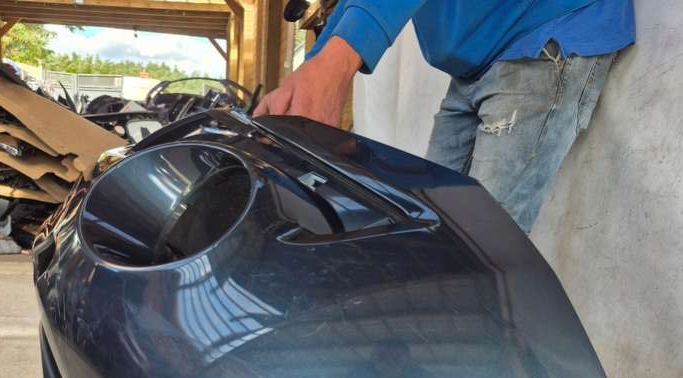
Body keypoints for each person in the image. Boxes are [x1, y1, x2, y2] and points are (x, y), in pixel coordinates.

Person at [254, 0, 634, 234]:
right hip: (477, 60)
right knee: (429, 221)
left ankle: (478, 339)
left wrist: (336, 67)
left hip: (543, 35)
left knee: (486, 242)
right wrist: (314, 67)